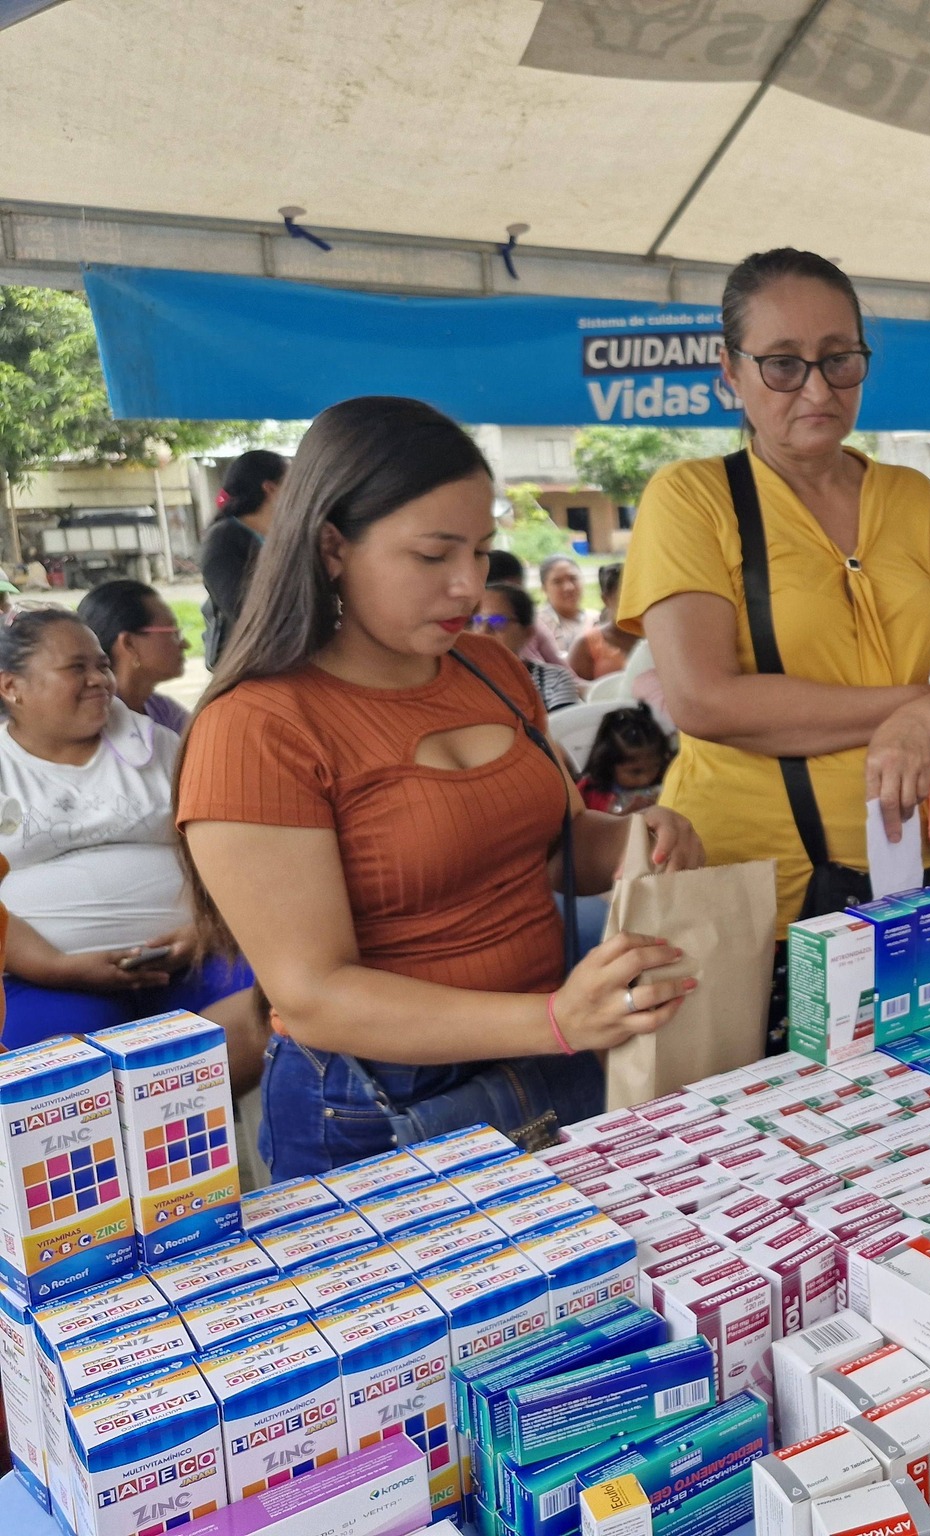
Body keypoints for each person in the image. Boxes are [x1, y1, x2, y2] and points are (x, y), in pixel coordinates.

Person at [176, 396, 706, 1178]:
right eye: (433, 555)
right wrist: (554, 1019)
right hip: (376, 1104)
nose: (468, 586)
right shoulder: (256, 727)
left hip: (548, 1061)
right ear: (331, 547)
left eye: (483, 552)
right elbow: (315, 994)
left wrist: (641, 835)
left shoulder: (490, 671)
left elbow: (552, 850)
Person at [622, 248, 930, 935]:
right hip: (755, 897)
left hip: (921, 873)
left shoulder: (911, 496)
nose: (817, 390)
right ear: (730, 371)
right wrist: (921, 709)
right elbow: (704, 699)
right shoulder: (693, 498)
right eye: (783, 364)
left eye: (839, 359)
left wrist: (924, 724)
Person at [0, 611, 263, 1085]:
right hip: (42, 980)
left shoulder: (160, 745)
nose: (99, 679)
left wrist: (205, 929)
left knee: (276, 1006)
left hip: (194, 961)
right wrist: (56, 967)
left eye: (102, 665)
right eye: (76, 667)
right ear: (11, 687)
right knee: (52, 1077)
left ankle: (165, 1110)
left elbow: (232, 851)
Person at [199, 448, 286, 667]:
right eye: (294, 482)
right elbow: (243, 609)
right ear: (271, 488)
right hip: (251, 666)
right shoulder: (223, 539)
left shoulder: (280, 536)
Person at [76, 579, 191, 733]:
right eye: (173, 633)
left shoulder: (164, 711)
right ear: (129, 644)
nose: (186, 644)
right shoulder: (96, 724)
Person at [473, 583, 582, 711]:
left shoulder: (552, 681)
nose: (484, 631)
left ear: (527, 632)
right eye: (478, 620)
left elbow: (563, 723)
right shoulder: (460, 679)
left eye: (497, 621)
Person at [577, 703, 672, 815]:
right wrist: (626, 815)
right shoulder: (590, 793)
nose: (646, 779)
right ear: (608, 764)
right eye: (636, 772)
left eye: (655, 766)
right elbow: (584, 823)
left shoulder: (666, 782)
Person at [569, 563, 636, 681]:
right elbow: (573, 686)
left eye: (637, 596)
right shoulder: (586, 645)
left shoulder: (655, 635)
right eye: (624, 598)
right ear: (605, 599)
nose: (634, 604)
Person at [537, 555, 589, 658]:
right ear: (544, 588)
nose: (568, 587)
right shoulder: (536, 626)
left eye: (573, 578)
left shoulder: (598, 620)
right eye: (557, 582)